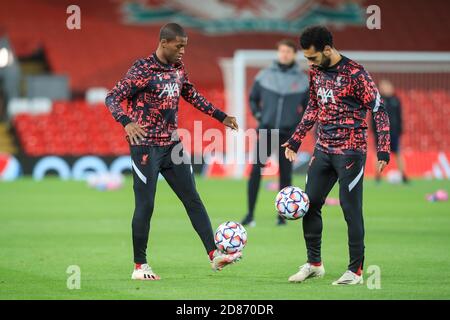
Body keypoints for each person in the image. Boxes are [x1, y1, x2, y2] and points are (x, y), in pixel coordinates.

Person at [105, 23, 241, 280]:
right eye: (179, 46)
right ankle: (139, 266)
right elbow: (112, 97)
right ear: (164, 42)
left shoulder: (178, 69)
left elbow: (192, 95)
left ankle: (214, 255)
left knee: (192, 198)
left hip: (172, 145)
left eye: (185, 47)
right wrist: (127, 121)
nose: (182, 52)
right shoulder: (142, 69)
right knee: (146, 205)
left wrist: (221, 116)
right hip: (145, 146)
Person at [282, 26, 390, 285]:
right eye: (307, 58)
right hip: (323, 150)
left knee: (350, 209)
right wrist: (296, 141)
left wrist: (384, 148)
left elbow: (379, 109)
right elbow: (313, 106)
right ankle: (314, 264)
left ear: (327, 49)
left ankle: (355, 271)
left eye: (313, 57)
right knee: (310, 206)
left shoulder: (356, 74)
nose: (309, 63)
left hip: (351, 152)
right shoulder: (316, 71)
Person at [241, 39, 309, 227]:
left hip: (288, 136)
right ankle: (249, 214)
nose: (284, 54)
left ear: (294, 54)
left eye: (288, 51)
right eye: (281, 51)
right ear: (278, 53)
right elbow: (253, 99)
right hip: (266, 131)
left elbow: (308, 108)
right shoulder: (264, 76)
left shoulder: (302, 80)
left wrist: (298, 126)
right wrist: (259, 115)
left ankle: (282, 217)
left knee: (285, 175)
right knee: (256, 171)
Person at [372, 79, 408, 183]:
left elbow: (399, 116)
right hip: (381, 134)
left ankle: (404, 175)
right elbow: (373, 118)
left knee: (398, 153)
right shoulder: (378, 100)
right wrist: (376, 132)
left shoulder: (396, 100)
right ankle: (377, 176)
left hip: (394, 132)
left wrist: (400, 129)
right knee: (378, 154)